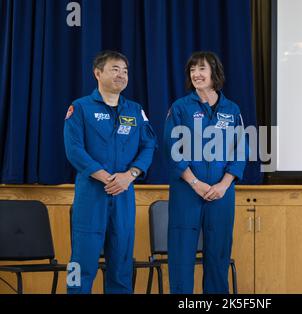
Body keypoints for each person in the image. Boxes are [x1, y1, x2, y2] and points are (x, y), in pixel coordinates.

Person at [64, 50, 157, 293]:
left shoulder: (135, 111)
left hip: (123, 195)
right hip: (91, 195)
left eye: (125, 71)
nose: (121, 74)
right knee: (81, 263)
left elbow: (149, 146)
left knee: (122, 265)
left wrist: (130, 175)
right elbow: (74, 149)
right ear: (97, 73)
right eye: (115, 69)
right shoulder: (80, 108)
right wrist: (105, 176)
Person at [164, 51, 247, 294]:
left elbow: (240, 149)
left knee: (219, 254)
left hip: (221, 194)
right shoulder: (180, 107)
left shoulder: (231, 109)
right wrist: (194, 182)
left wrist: (224, 184)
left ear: (214, 73)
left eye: (201, 69)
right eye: (192, 70)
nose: (196, 74)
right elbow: (173, 149)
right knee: (181, 255)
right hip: (187, 191)